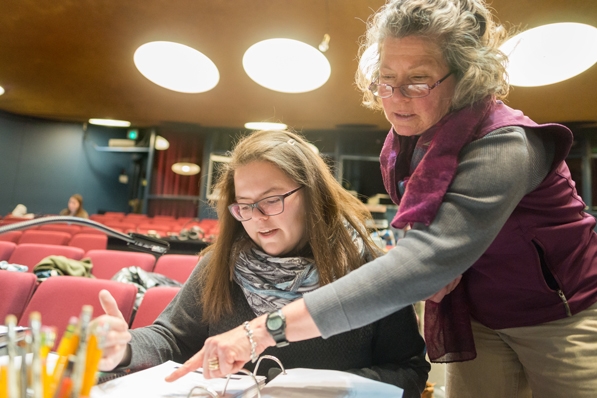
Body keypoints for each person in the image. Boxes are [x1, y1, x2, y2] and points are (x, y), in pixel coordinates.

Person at [167, 1, 597, 397]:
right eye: (386, 80)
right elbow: (424, 226)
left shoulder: (506, 145)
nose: (395, 98)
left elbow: (427, 259)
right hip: (478, 314)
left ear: (467, 75)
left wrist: (260, 331)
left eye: (418, 80)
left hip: (561, 315)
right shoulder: (402, 143)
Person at [94, 130, 430, 396]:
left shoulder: (366, 269)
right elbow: (171, 339)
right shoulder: (220, 264)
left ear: (312, 194)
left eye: (271, 200)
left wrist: (331, 389)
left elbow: (410, 371)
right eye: (245, 206)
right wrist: (124, 350)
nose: (257, 218)